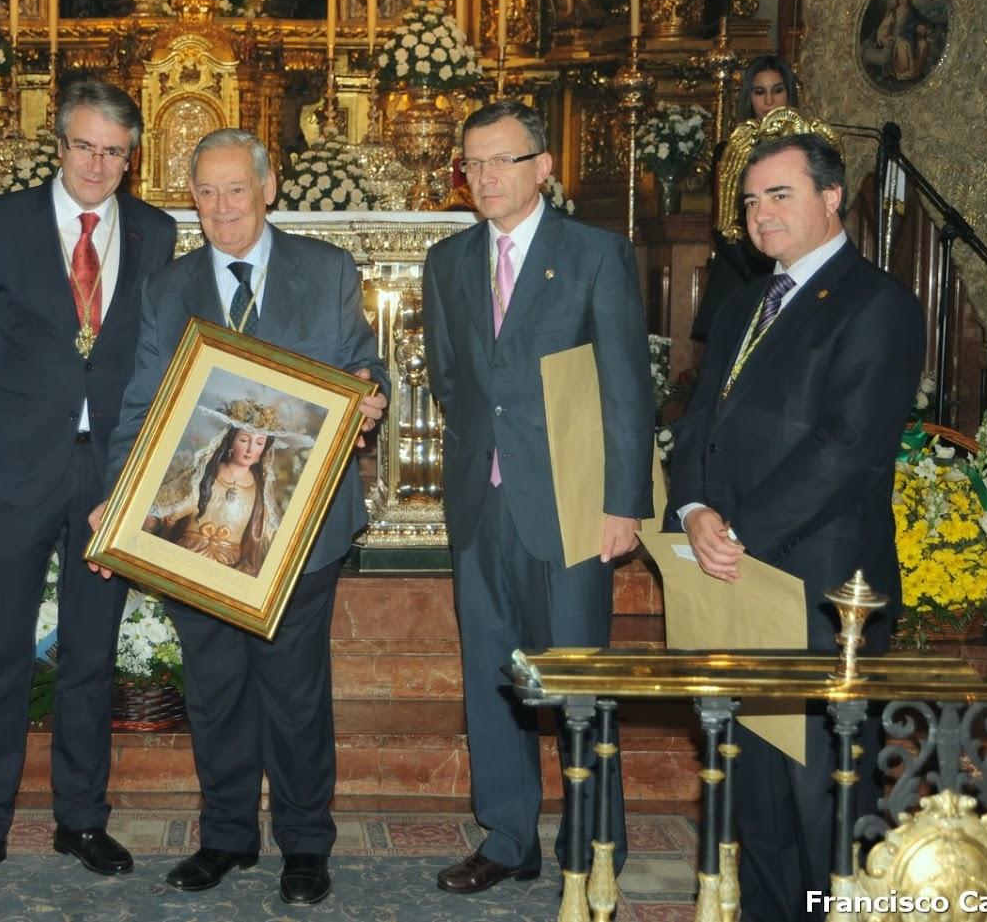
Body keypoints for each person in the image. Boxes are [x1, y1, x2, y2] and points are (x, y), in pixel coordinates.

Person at [89, 128, 388, 905]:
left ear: (269, 187)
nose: (223, 207)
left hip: (301, 527)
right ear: (192, 197)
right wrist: (118, 500)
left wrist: (369, 389)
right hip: (200, 530)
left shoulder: (326, 272)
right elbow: (142, 404)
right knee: (216, 688)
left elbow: (365, 359)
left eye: (237, 189)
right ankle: (225, 835)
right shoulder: (168, 286)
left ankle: (305, 845)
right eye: (207, 192)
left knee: (294, 691)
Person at [666, 122, 925, 921]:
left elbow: (848, 451)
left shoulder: (877, 303)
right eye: (750, 200)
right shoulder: (746, 300)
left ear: (832, 197)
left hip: (822, 596)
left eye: (780, 194)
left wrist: (739, 531)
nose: (761, 213)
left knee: (825, 808)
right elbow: (698, 420)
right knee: (754, 798)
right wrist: (696, 507)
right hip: (739, 588)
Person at [0, 78, 177, 887]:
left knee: (92, 654)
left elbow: (166, 358)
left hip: (111, 472)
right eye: (85, 145)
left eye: (114, 150)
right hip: (13, 464)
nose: (98, 162)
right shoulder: (2, 223)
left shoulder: (156, 231)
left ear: (130, 159)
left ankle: (81, 819)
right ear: (59, 146)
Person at [422, 100, 653, 894]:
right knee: (492, 675)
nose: (484, 177)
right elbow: (452, 378)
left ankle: (594, 842)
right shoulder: (447, 261)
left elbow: (627, 387)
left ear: (543, 168)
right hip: (480, 503)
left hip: (574, 506)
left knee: (579, 679)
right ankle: (508, 834)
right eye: (473, 163)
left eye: (502, 160)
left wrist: (623, 502)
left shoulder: (595, 254)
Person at [691, 54, 799, 343]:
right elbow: (723, 225)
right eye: (759, 92)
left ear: (789, 94)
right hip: (741, 272)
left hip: (794, 268)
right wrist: (761, 277)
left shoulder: (807, 150)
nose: (769, 101)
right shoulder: (731, 150)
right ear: (749, 98)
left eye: (778, 90)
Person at [151, 402, 306, 578]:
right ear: (231, 441)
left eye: (259, 443)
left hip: (231, 567)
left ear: (264, 449)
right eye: (244, 440)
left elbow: (266, 533)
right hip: (187, 554)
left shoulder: (260, 490)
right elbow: (166, 504)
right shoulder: (204, 473)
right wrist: (173, 514)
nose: (250, 450)